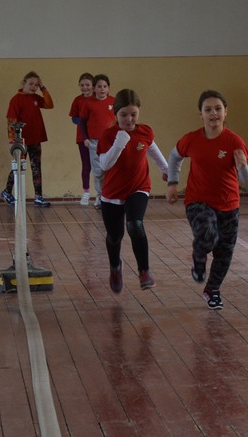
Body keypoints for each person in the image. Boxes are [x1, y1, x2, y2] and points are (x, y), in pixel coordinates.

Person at [166, 90, 248, 310]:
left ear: (225, 112)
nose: (213, 113)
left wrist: (243, 166)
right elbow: (175, 157)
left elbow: (247, 179)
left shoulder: (234, 141)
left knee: (224, 252)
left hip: (229, 205)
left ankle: (212, 290)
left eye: (218, 109)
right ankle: (198, 258)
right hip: (198, 201)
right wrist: (172, 183)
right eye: (208, 110)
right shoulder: (192, 139)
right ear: (201, 114)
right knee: (207, 234)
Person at [97, 89, 168, 293]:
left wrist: (166, 169)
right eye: (124, 115)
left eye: (133, 114)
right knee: (114, 236)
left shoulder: (145, 131)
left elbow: (152, 149)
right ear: (116, 114)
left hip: (138, 187)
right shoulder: (108, 135)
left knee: (135, 225)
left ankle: (144, 271)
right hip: (112, 193)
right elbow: (104, 165)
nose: (129, 119)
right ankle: (115, 267)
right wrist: (119, 143)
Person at [1, 71, 54, 207]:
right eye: (31, 84)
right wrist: (13, 141)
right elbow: (11, 120)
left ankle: (38, 197)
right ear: (23, 83)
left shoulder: (35, 98)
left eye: (36, 85)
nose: (33, 87)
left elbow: (49, 104)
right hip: (21, 141)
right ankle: (6, 192)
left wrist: (43, 88)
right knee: (18, 167)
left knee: (36, 168)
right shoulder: (16, 99)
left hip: (35, 139)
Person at [80, 74, 115, 209]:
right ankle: (100, 197)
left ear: (108, 88)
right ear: (94, 88)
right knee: (98, 171)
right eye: (99, 86)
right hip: (94, 142)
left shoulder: (114, 102)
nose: (102, 89)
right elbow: (82, 122)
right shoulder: (89, 103)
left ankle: (111, 196)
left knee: (111, 169)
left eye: (105, 86)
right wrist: (85, 138)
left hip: (111, 142)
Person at [68, 72, 94, 206]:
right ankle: (86, 192)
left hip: (97, 137)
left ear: (93, 85)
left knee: (101, 165)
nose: (85, 87)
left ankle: (102, 194)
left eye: (87, 85)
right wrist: (83, 121)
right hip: (82, 138)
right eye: (82, 85)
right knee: (86, 165)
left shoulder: (97, 99)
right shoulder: (77, 100)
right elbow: (74, 118)